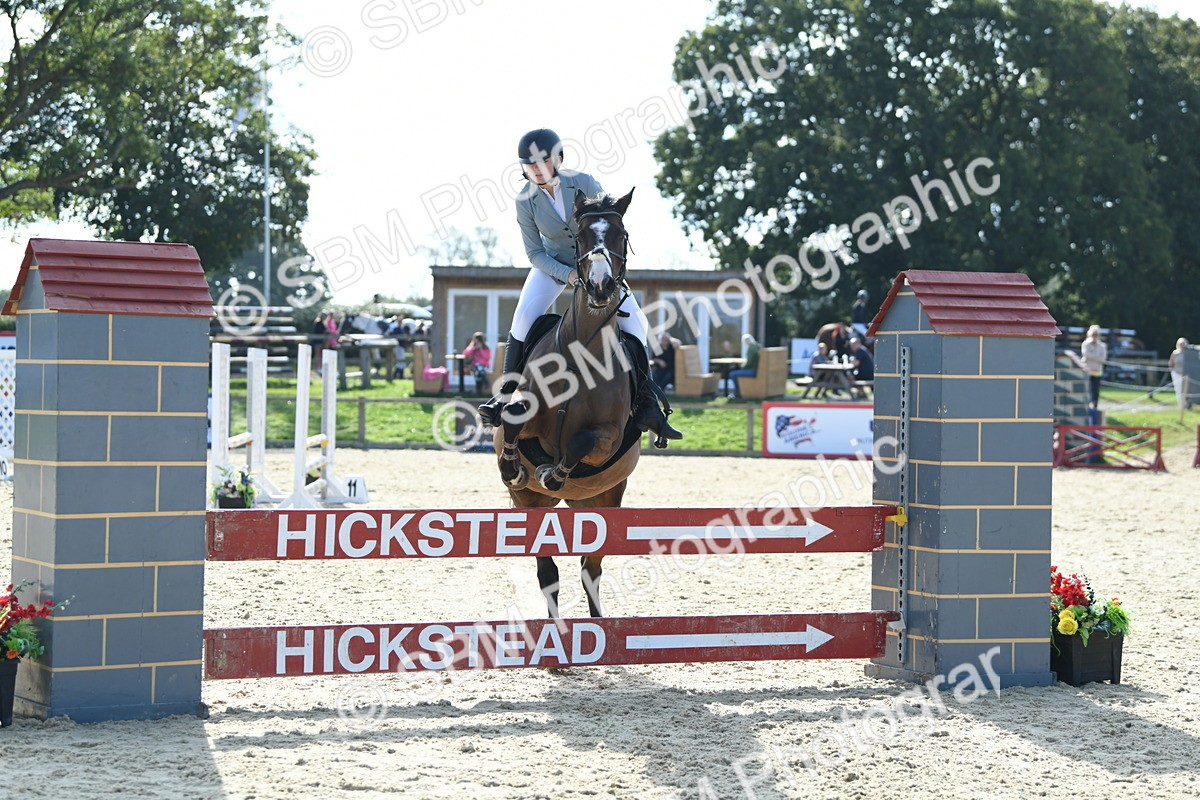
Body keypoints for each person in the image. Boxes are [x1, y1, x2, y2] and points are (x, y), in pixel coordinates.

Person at [478, 128, 681, 442]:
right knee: (522, 319)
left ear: (558, 159)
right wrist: (568, 275)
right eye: (529, 165)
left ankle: (646, 404)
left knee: (638, 324)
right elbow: (534, 253)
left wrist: (599, 266)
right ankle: (505, 397)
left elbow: (608, 224)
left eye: (543, 162)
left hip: (596, 262)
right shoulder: (525, 200)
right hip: (554, 265)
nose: (536, 169)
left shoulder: (584, 183)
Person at [1079, 325, 1107, 410]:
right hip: (1087, 370)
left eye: (1096, 335)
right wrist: (1097, 356)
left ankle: (1095, 406)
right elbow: (1086, 354)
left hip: (1097, 371)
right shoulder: (1086, 344)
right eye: (1093, 335)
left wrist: (1092, 356)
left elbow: (1103, 358)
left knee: (1096, 390)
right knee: (1087, 389)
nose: (1094, 337)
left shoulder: (1102, 345)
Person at [726, 333, 760, 399]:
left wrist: (742, 367)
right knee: (737, 372)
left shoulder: (751, 349)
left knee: (732, 374)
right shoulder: (757, 346)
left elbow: (749, 363)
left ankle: (738, 393)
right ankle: (739, 392)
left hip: (752, 371)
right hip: (756, 370)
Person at [1169, 337, 1190, 410]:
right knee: (1179, 389)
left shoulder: (1188, 353)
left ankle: (1186, 404)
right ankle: (1181, 405)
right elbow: (1171, 363)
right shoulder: (1175, 353)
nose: (1182, 345)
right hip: (1176, 373)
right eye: (1181, 344)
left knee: (1186, 389)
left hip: (1186, 374)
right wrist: (1172, 371)